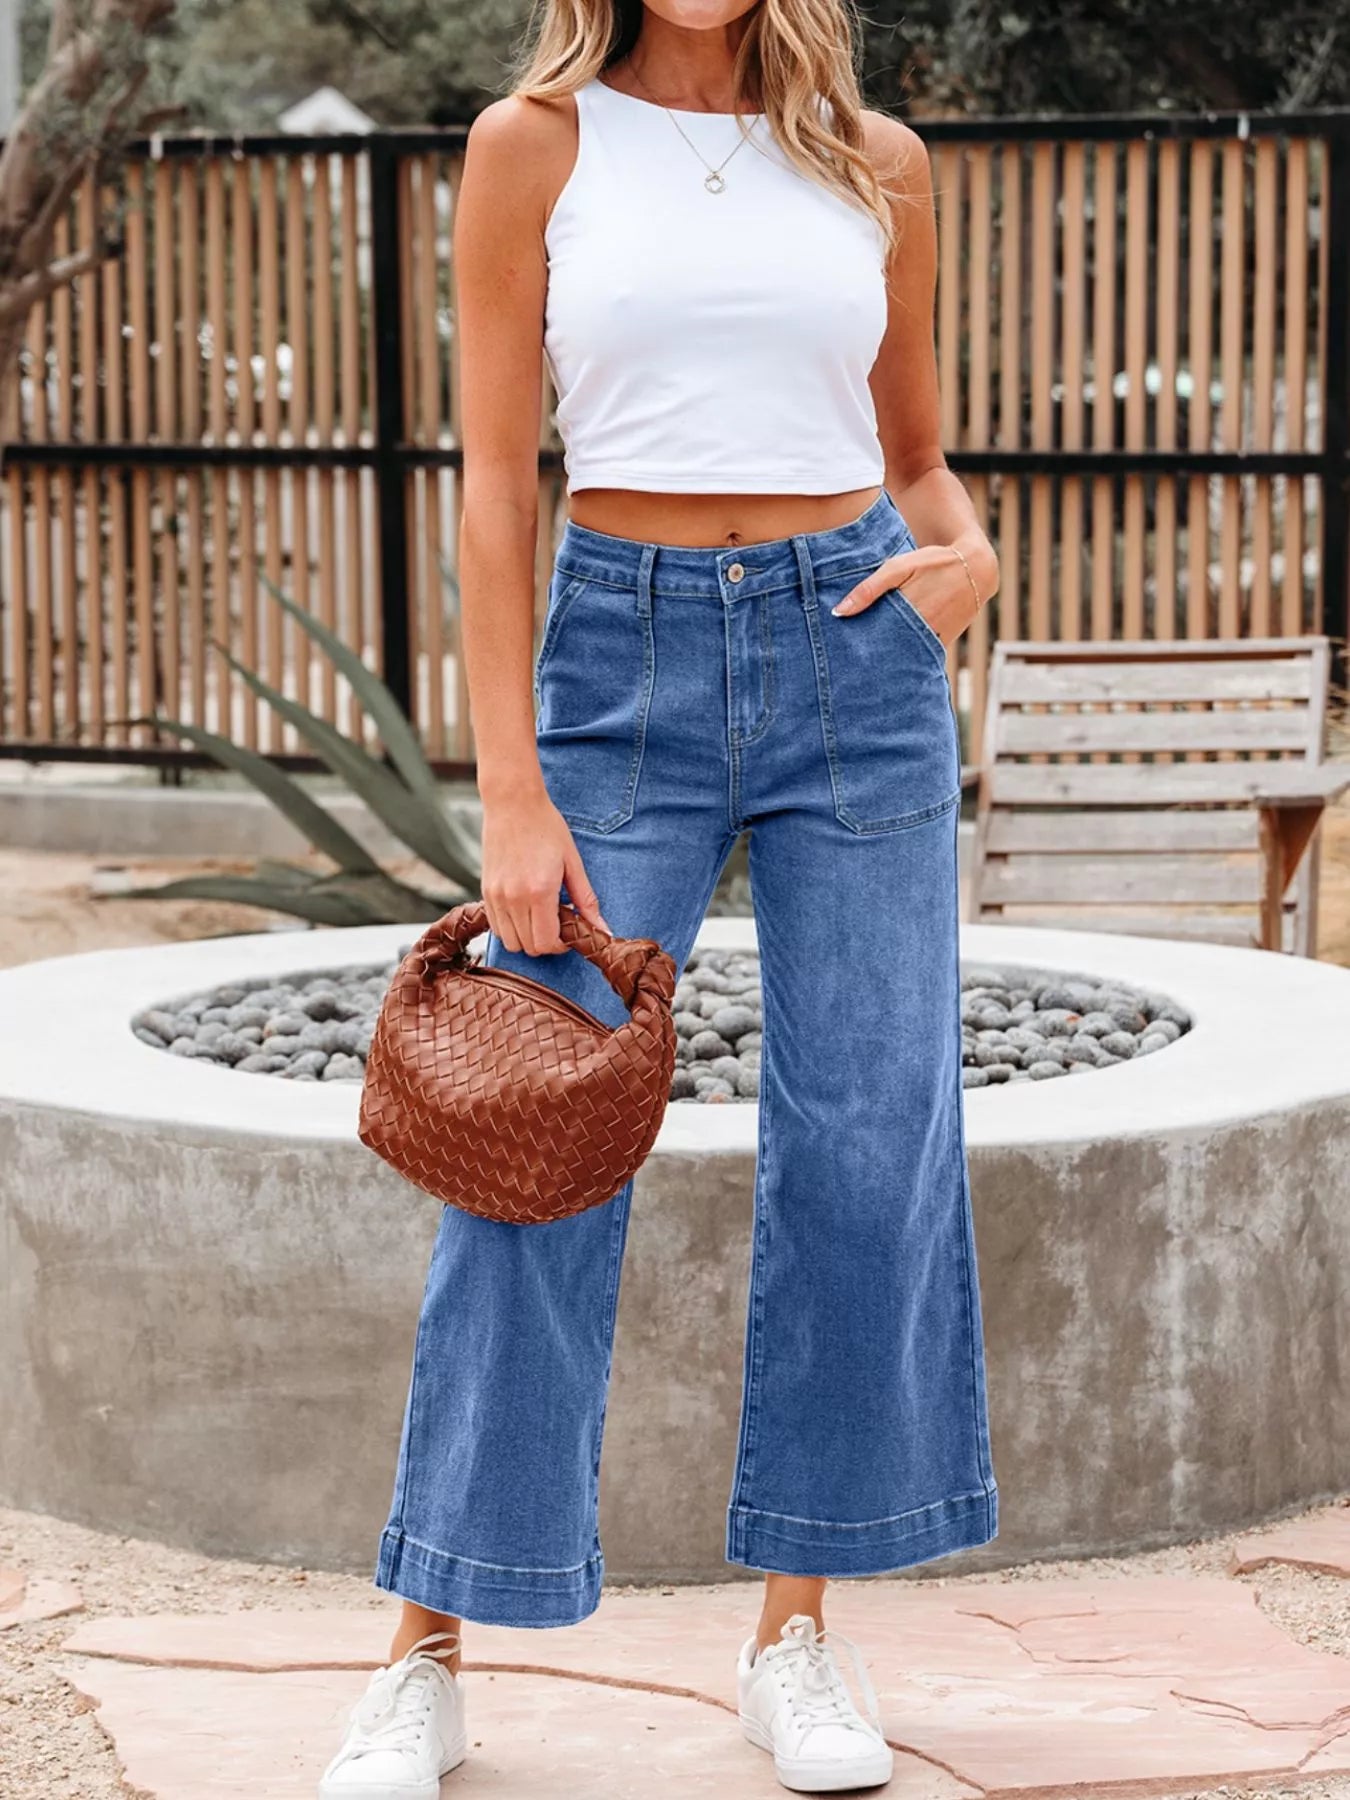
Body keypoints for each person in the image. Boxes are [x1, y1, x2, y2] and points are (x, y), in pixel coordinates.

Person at [320, 0, 1000, 1792]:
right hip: (619, 659)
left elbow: (913, 450)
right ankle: (428, 1645)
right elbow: (489, 489)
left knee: (869, 1137)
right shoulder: (529, 143)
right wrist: (512, 791)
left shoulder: (877, 164)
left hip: (854, 651)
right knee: (531, 1134)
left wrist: (970, 555)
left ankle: (797, 1635)